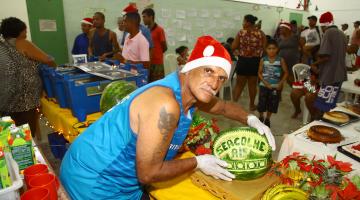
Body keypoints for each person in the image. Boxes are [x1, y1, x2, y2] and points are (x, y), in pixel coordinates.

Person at [60, 35, 275, 199]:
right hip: (93, 180)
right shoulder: (166, 104)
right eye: (208, 71)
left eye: (221, 78)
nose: (215, 84)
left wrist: (251, 120)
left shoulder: (192, 92)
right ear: (189, 67)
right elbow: (148, 174)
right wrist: (197, 162)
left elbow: (224, 107)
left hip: (119, 179)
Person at [0, 17, 56, 139]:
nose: (26, 33)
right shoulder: (21, 42)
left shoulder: (2, 47)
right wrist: (53, 65)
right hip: (24, 100)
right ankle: (25, 155)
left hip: (6, 100)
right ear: (19, 31)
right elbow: (47, 60)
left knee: (9, 137)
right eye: (25, 30)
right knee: (25, 137)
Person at [305, 12, 347, 121]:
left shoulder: (328, 33)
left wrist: (313, 64)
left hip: (330, 76)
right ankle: (320, 122)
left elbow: (326, 57)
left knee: (322, 106)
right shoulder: (342, 34)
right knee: (329, 103)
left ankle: (316, 124)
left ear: (324, 25)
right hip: (339, 75)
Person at [232, 14, 266, 111]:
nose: (242, 23)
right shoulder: (261, 33)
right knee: (252, 85)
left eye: (244, 21)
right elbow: (265, 49)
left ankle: (233, 105)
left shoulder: (241, 33)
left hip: (243, 61)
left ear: (248, 22)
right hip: (255, 62)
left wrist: (239, 51)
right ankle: (251, 105)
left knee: (239, 85)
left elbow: (233, 47)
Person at [257, 40, 288, 127]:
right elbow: (259, 73)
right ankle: (261, 116)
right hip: (264, 86)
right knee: (261, 103)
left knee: (272, 104)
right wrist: (265, 83)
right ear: (266, 49)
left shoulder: (280, 60)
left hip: (275, 87)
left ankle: (267, 118)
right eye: (269, 48)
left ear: (277, 49)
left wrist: (280, 83)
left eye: (273, 48)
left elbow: (286, 72)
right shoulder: (263, 60)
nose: (271, 50)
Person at [142, 8, 167, 82]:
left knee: (157, 84)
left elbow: (164, 47)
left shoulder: (159, 30)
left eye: (144, 17)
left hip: (157, 63)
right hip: (147, 62)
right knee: (147, 83)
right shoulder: (145, 31)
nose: (143, 19)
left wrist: (157, 53)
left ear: (151, 17)